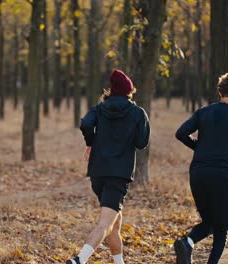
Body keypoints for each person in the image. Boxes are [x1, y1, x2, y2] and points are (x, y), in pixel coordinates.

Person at [66, 70, 150, 264]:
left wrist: (91, 142)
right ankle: (79, 260)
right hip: (118, 175)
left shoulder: (99, 108)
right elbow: (141, 143)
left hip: (98, 173)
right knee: (105, 224)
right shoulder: (138, 113)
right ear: (129, 91)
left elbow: (86, 123)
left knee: (114, 225)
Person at [173, 72, 228, 264]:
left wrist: (199, 147)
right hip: (221, 173)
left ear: (220, 92)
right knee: (222, 227)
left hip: (198, 172)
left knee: (209, 222)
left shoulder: (203, 112)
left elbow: (181, 133)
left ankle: (187, 241)